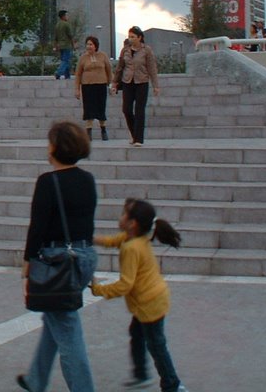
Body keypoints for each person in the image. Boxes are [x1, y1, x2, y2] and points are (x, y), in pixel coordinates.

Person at [17, 121, 97, 392]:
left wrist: (27, 264)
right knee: (56, 318)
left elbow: (37, 226)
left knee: (67, 332)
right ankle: (35, 380)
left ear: (55, 147)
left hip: (57, 260)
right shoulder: (87, 179)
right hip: (83, 256)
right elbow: (87, 223)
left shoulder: (47, 182)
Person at [91, 199, 187, 392]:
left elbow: (126, 285)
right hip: (151, 299)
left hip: (149, 305)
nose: (120, 217)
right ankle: (141, 374)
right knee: (137, 333)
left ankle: (172, 385)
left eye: (123, 214)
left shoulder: (131, 248)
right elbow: (112, 241)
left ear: (132, 223)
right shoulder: (133, 238)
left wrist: (98, 289)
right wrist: (90, 238)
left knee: (157, 346)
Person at [112, 27, 160, 146]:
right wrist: (114, 83)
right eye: (129, 36)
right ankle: (134, 134)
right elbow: (120, 68)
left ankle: (139, 139)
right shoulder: (125, 51)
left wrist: (155, 85)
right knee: (126, 109)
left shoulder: (146, 50)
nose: (131, 39)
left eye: (133, 37)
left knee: (139, 110)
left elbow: (152, 68)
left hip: (141, 82)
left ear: (140, 37)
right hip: (128, 82)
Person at [74, 36, 112, 141]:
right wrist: (77, 89)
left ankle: (103, 129)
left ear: (95, 46)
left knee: (101, 107)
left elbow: (109, 70)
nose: (89, 46)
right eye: (87, 44)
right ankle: (88, 131)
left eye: (91, 44)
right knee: (89, 108)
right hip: (87, 86)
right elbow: (78, 74)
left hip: (101, 85)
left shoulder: (103, 56)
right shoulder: (83, 58)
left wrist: (111, 84)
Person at [54, 10, 75, 81]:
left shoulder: (57, 25)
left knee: (66, 61)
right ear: (63, 16)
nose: (67, 17)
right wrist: (73, 45)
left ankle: (67, 76)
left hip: (60, 45)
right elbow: (70, 36)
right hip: (66, 45)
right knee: (65, 60)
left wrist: (56, 46)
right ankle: (58, 73)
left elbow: (56, 37)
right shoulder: (66, 24)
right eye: (66, 15)